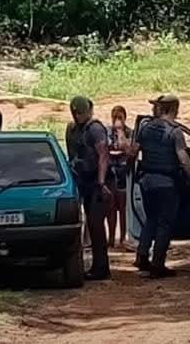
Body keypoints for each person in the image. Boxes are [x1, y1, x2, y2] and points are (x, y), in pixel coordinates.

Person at [132, 93, 190, 278]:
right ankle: (158, 264)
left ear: (161, 108)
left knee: (150, 219)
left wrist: (130, 172)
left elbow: (133, 151)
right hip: (167, 184)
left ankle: (142, 256)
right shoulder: (175, 132)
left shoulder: (145, 129)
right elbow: (183, 159)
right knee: (165, 224)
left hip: (146, 181)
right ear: (175, 109)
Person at [65, 96, 111, 281]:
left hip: (97, 183)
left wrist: (101, 183)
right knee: (89, 226)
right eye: (75, 112)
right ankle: (97, 266)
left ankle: (101, 267)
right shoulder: (73, 129)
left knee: (96, 225)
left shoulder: (95, 129)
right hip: (82, 181)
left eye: (80, 112)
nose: (77, 116)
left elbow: (103, 156)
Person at [107, 106, 130, 250]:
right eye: (114, 116)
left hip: (123, 171)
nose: (117, 119)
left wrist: (121, 131)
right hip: (110, 172)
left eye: (120, 116)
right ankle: (111, 237)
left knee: (122, 208)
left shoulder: (129, 132)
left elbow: (127, 147)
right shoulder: (107, 132)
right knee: (110, 208)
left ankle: (122, 237)